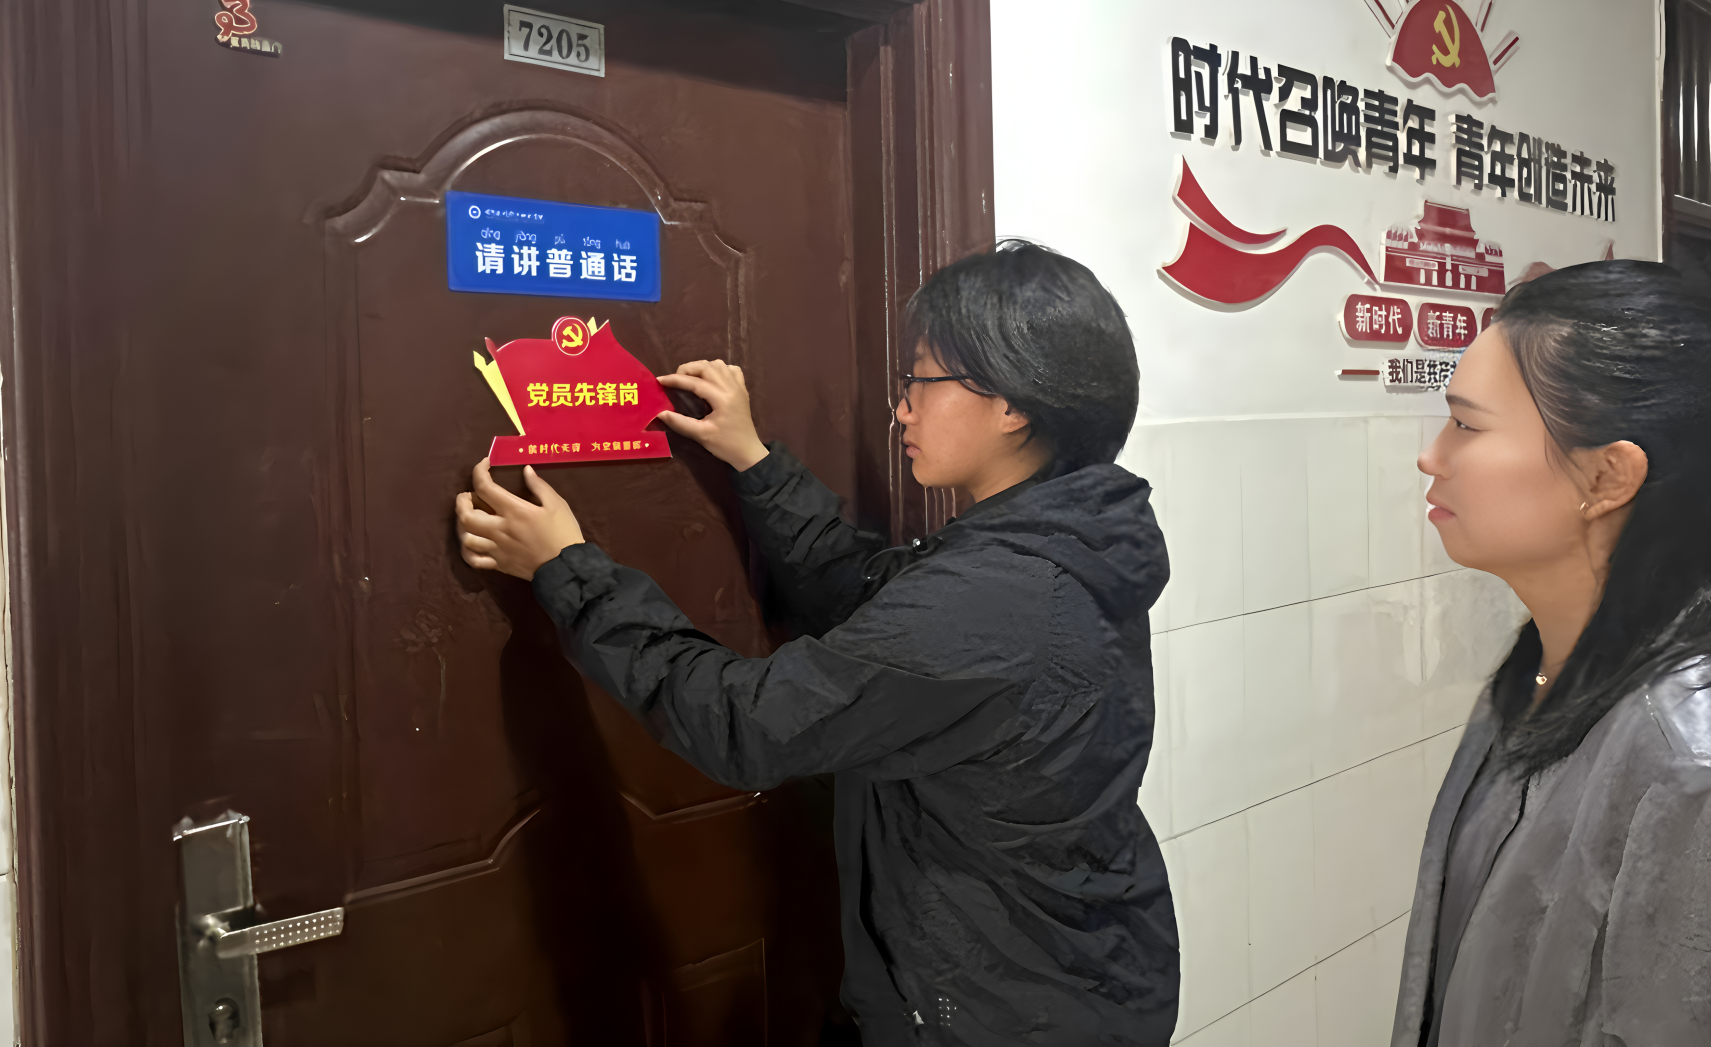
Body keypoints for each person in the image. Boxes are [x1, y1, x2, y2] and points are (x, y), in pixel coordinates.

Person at [454, 241, 1178, 1045]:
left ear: (1010, 403)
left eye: (921, 380)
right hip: (1075, 977)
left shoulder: (996, 598)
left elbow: (748, 724)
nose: (902, 408)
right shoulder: (1065, 546)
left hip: (998, 1018)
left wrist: (568, 570)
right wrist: (754, 461)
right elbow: (870, 592)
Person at [1395, 259, 1711, 1046]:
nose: (1433, 456)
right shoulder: (1540, 674)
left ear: (1607, 476)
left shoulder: (1701, 773)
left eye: (1466, 425)